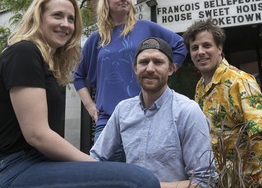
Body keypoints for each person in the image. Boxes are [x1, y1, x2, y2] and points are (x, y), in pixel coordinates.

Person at [0, 0, 161, 188]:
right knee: (142, 180)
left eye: (71, 19)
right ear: (38, 17)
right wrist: (93, 164)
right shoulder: (23, 51)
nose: (65, 24)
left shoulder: (44, 63)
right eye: (57, 15)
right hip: (16, 167)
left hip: (38, 162)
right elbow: (37, 134)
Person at [73, 0, 187, 162]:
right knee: (107, 178)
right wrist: (90, 107)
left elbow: (179, 45)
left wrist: (167, 70)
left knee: (145, 176)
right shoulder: (96, 39)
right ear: (106, 0)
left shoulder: (145, 27)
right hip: (108, 121)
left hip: (146, 118)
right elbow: (78, 76)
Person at [90, 37, 218, 188]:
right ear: (135, 68)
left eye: (158, 62)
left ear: (171, 69)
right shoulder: (123, 110)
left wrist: (146, 185)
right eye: (144, 62)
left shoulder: (187, 111)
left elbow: (204, 182)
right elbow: (96, 159)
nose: (150, 68)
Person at [183, 18, 262, 187]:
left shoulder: (239, 81)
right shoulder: (200, 86)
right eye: (194, 48)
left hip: (249, 182)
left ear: (220, 48)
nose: (200, 52)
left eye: (206, 45)